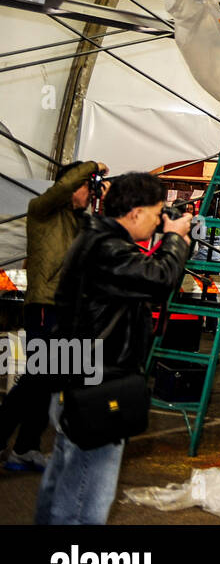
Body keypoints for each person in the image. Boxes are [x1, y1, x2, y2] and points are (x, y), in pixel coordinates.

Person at [37, 172, 191, 524]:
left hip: (74, 372)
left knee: (63, 475)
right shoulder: (108, 250)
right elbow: (160, 280)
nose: (158, 220)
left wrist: (170, 238)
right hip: (98, 382)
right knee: (86, 497)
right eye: (155, 213)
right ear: (134, 214)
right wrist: (175, 239)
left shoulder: (94, 239)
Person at [0, 159, 106, 472]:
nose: (90, 191)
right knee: (37, 379)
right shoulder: (42, 210)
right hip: (46, 306)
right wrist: (90, 166)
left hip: (70, 310)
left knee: (47, 381)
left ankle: (26, 448)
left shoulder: (80, 222)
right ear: (72, 185)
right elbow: (61, 186)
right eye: (86, 185)